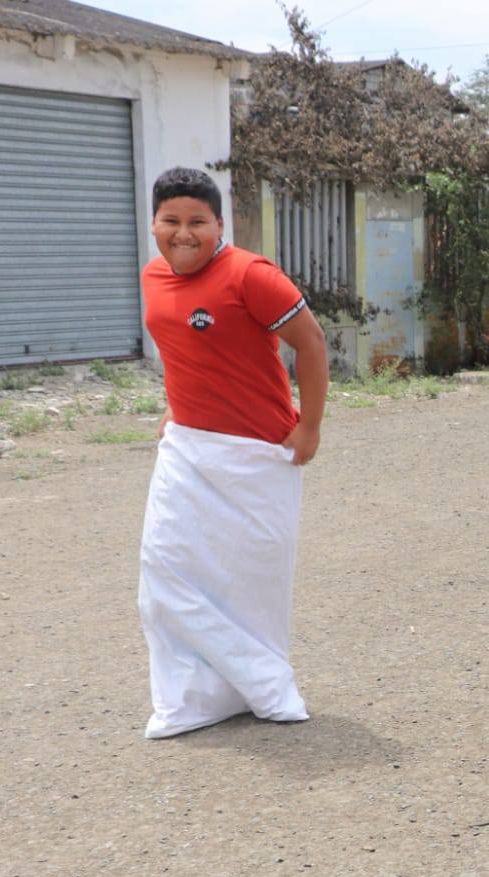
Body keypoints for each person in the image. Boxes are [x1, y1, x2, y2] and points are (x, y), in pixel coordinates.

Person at [137, 167, 329, 739]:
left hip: (257, 456)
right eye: (171, 220)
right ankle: (191, 698)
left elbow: (311, 343)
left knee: (249, 586)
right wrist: (176, 407)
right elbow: (182, 346)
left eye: (198, 221)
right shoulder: (152, 275)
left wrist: (310, 427)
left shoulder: (251, 275)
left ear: (220, 225)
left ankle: (262, 687)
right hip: (187, 450)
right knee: (164, 571)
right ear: (154, 224)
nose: (184, 233)